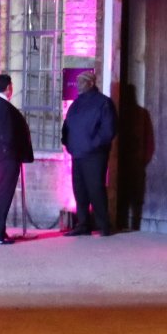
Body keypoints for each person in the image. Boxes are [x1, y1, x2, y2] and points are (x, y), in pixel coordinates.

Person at [61, 72, 117, 236]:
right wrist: (68, 143)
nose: (78, 84)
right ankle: (83, 224)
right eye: (77, 81)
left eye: (82, 82)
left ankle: (103, 225)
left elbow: (108, 130)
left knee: (96, 189)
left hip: (94, 155)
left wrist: (93, 145)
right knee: (80, 191)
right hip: (77, 154)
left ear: (91, 83)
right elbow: (67, 125)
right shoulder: (76, 104)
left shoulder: (103, 103)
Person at [0, 73, 34, 244]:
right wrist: (14, 152)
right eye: (11, 86)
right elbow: (7, 134)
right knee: (2, 194)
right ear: (8, 88)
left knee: (0, 193)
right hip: (6, 155)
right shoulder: (3, 106)